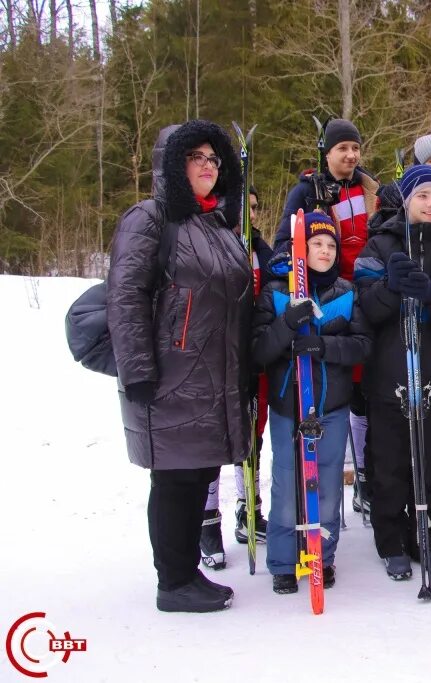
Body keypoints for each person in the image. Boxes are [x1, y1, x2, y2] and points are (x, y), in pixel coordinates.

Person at [107, 120, 252, 613]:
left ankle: (186, 571)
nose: (209, 167)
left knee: (197, 475)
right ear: (172, 163)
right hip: (169, 377)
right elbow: (125, 297)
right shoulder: (149, 219)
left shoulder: (217, 224)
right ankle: (173, 581)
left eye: (215, 159)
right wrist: (138, 371)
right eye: (197, 158)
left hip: (214, 377)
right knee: (174, 479)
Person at [354, 165, 431, 580]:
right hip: (389, 373)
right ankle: (390, 542)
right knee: (388, 465)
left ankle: (428, 538)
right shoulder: (379, 245)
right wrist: (390, 288)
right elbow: (366, 310)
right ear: (407, 199)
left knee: (428, 463)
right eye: (423, 196)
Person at [251, 211, 372, 594]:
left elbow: (362, 345)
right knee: (288, 486)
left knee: (329, 485)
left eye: (331, 244)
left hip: (332, 407)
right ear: (299, 248)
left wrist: (323, 345)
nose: (324, 250)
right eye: (316, 243)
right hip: (289, 406)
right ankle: (285, 560)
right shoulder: (275, 292)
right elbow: (257, 350)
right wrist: (287, 323)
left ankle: (323, 554)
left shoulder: (347, 292)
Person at [200, 186, 274, 569]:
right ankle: (208, 520)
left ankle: (250, 509)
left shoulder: (262, 250)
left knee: (251, 437)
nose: (251, 214)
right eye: (244, 206)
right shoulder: (208, 243)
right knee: (216, 438)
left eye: (256, 208)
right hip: (215, 359)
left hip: (253, 358)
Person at [271, 118, 378, 275]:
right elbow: (281, 245)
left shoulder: (371, 190)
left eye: (355, 148)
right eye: (343, 148)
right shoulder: (306, 191)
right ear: (327, 154)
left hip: (368, 284)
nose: (351, 155)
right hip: (330, 287)